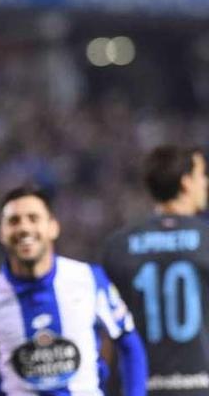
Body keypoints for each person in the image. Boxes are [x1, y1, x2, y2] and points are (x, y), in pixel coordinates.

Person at [0, 186, 147, 395]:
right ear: (1, 233)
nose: (24, 228)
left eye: (33, 218)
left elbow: (128, 342)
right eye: (14, 221)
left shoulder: (89, 280)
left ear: (53, 227)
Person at [102, 146, 209, 394]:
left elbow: (107, 332)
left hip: (140, 387)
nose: (206, 183)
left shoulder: (119, 245)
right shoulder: (206, 239)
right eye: (202, 175)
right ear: (186, 182)